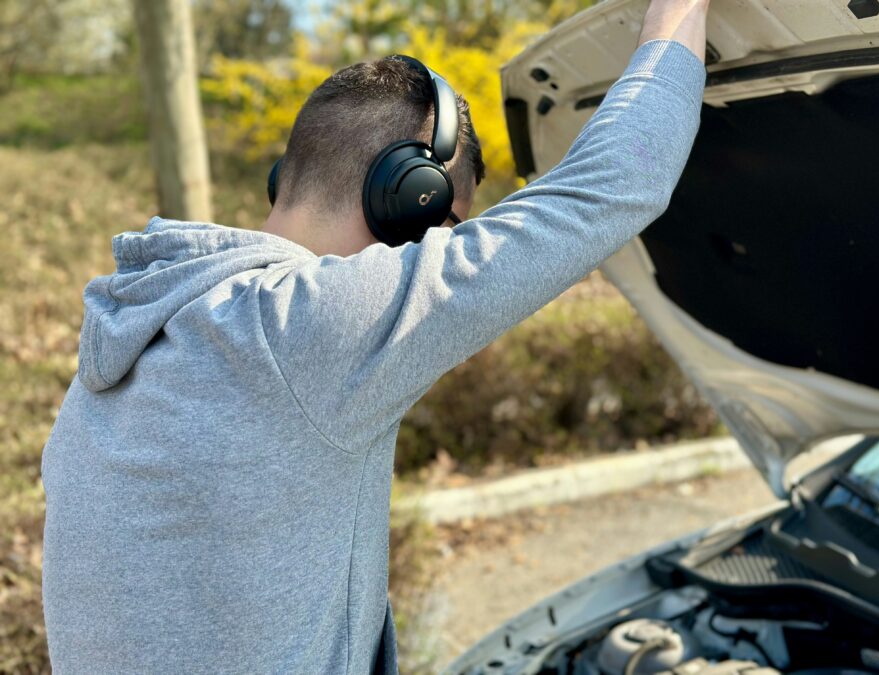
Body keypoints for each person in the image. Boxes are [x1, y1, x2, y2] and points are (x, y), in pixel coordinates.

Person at [41, 0, 710, 672]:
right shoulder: (304, 328)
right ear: (407, 202)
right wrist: (677, 15)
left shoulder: (132, 339)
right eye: (446, 228)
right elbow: (622, 179)